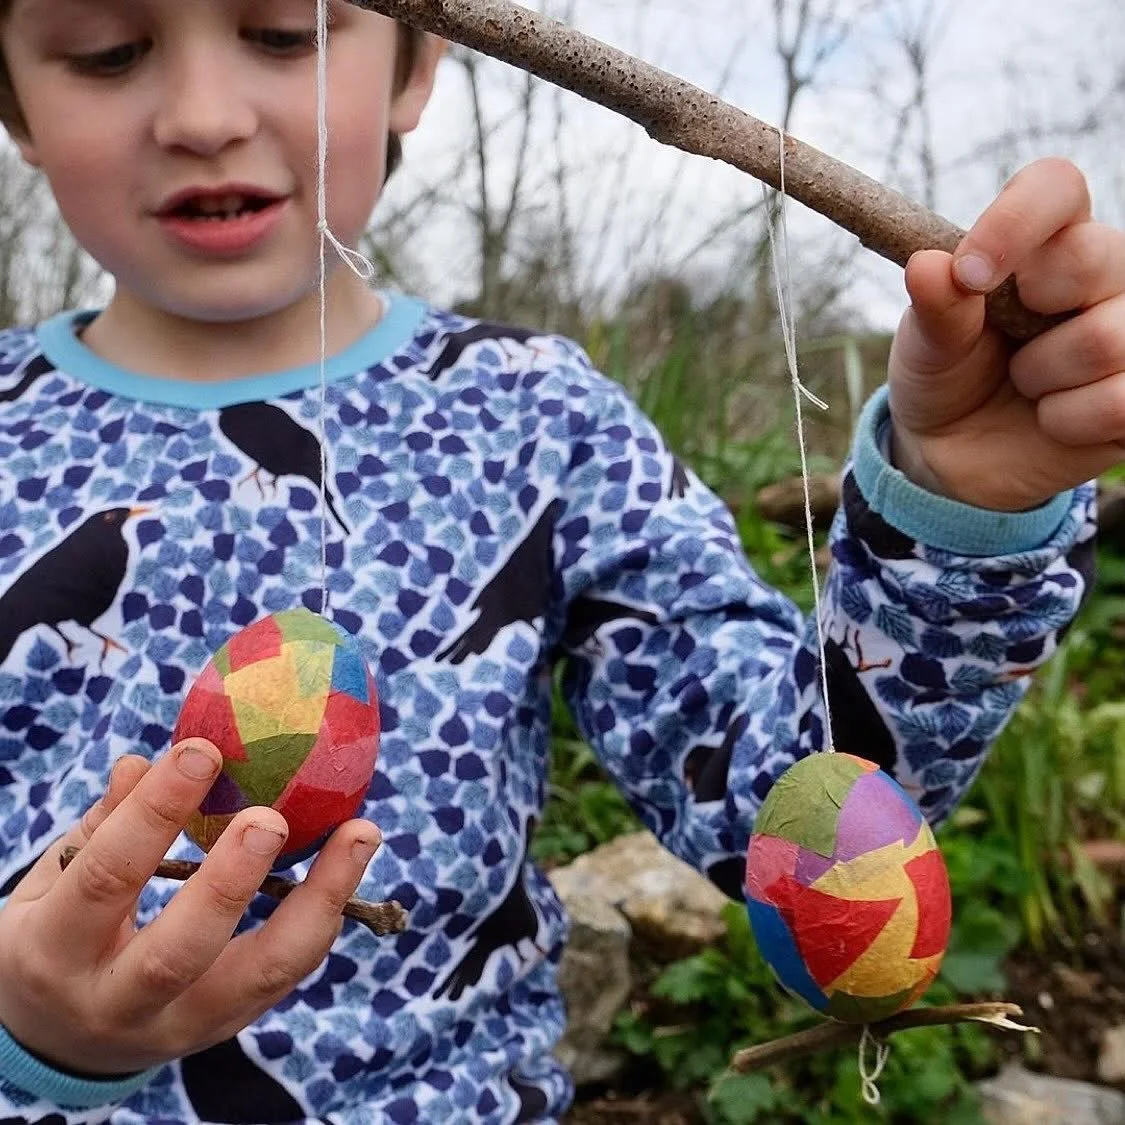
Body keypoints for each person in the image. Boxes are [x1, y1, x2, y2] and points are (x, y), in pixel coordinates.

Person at [0, 1, 1119, 1122]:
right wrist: (28, 1039)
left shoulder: (535, 419)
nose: (201, 116)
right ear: (13, 101)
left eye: (290, 33)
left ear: (418, 64)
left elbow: (797, 792)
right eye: (107, 50)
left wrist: (956, 506)